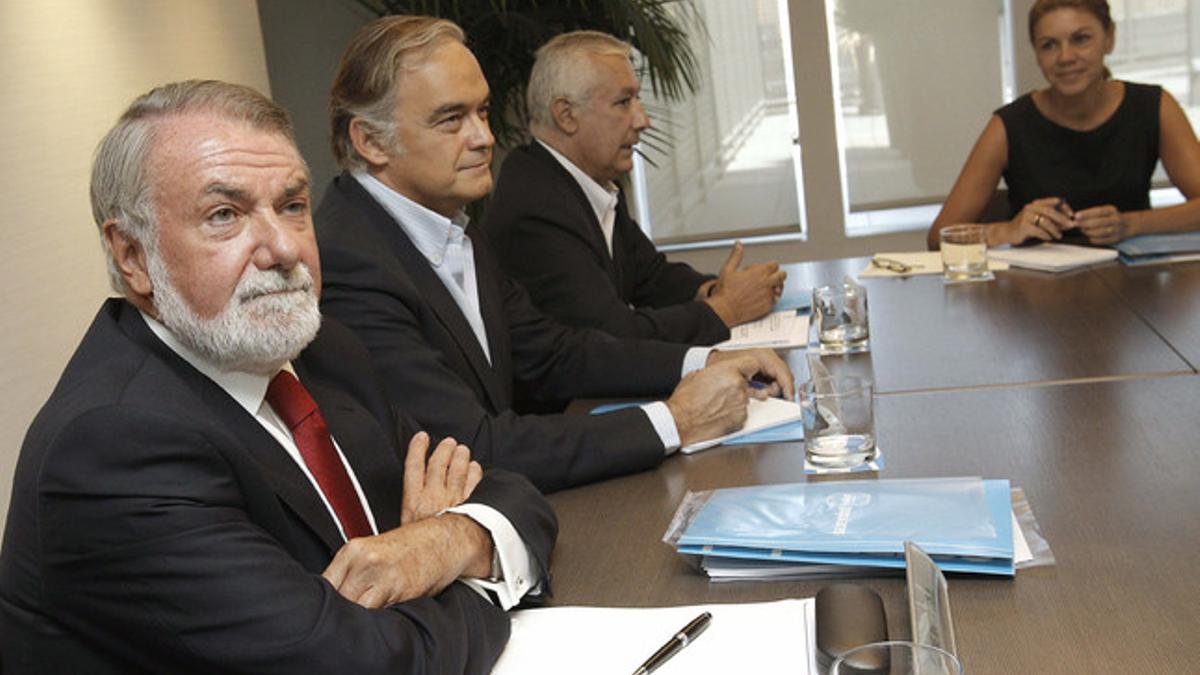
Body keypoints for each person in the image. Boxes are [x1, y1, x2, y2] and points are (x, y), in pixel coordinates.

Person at [0, 80, 556, 674]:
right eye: (225, 215)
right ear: (133, 254)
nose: (284, 248)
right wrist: (464, 576)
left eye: (292, 206)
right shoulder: (112, 445)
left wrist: (447, 541)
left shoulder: (322, 351)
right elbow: (357, 664)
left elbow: (505, 488)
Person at [316, 16, 794, 493]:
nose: (484, 137)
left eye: (482, 112)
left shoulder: (451, 224)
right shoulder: (349, 261)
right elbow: (470, 449)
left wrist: (702, 361)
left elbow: (554, 355)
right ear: (371, 141)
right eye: (451, 119)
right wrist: (675, 420)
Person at [485, 30, 787, 345]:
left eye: (637, 100)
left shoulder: (590, 181)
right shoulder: (535, 207)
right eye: (623, 102)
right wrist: (726, 308)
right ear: (566, 115)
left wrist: (716, 291)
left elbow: (650, 277)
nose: (643, 119)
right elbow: (613, 336)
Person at [926, 0, 1200, 250]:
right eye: (1049, 45)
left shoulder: (1154, 106)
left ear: (1109, 38)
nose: (1065, 57)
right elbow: (939, 237)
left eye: (1081, 39)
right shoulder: (1008, 125)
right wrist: (1007, 230)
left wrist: (1130, 224)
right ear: (1036, 52)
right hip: (1034, 293)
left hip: (1135, 287)